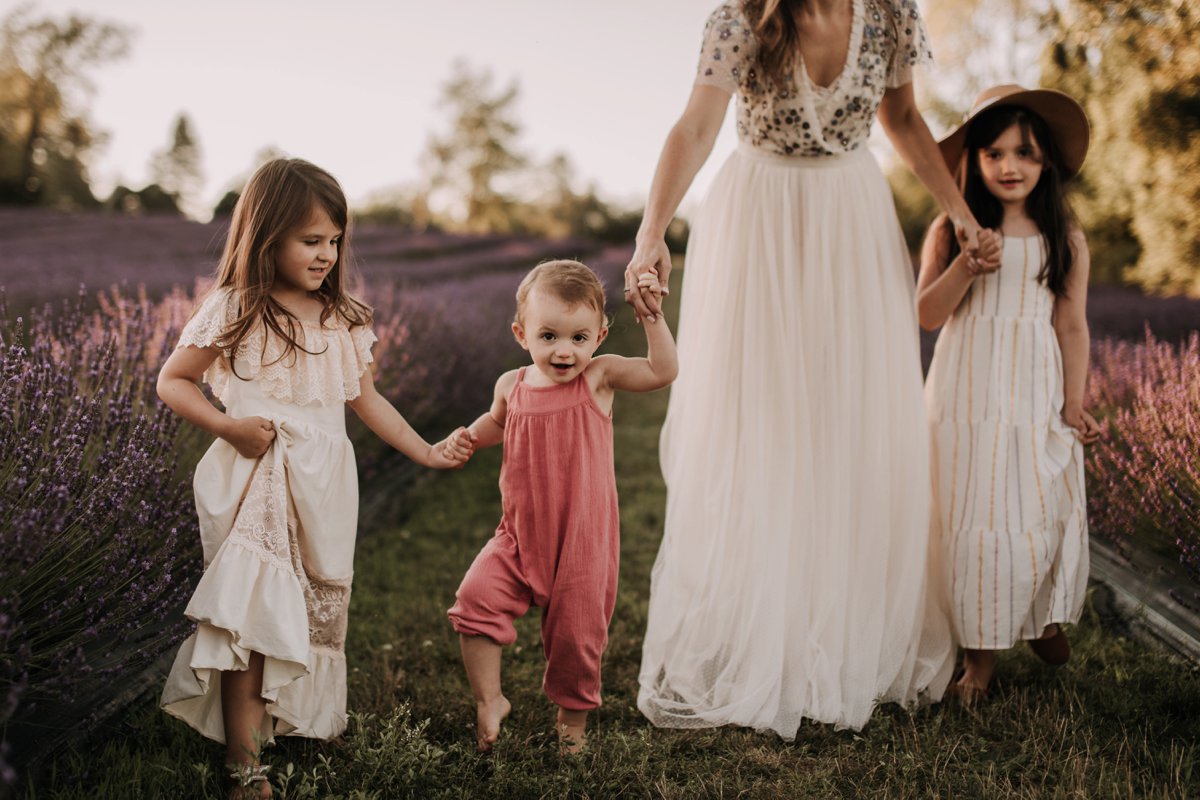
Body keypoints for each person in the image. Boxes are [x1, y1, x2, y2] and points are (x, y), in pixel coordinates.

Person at [627, 0, 1001, 736]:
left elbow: (901, 120)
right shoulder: (738, 18)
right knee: (757, 418)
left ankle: (846, 628)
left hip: (851, 216)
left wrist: (956, 207)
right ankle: (760, 628)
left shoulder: (892, 14)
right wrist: (651, 234)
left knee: (849, 420)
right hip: (758, 220)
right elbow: (696, 126)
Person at [157, 158, 471, 799]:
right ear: (266, 236)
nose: (327, 253)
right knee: (252, 618)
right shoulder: (237, 309)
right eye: (311, 241)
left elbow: (367, 400)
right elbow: (173, 380)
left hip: (323, 487)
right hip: (256, 481)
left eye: (334, 240)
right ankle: (244, 767)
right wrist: (229, 427)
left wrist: (426, 452)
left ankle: (305, 716)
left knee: (311, 610)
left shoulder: (344, 319)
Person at [448, 260, 678, 753]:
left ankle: (571, 729)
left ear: (600, 335)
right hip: (518, 535)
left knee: (577, 643)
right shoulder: (511, 385)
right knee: (474, 602)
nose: (564, 350)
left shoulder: (598, 378)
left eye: (579, 337)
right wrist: (467, 438)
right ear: (520, 333)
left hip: (582, 540)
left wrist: (654, 318)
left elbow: (663, 371)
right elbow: (495, 423)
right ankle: (490, 700)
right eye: (548, 335)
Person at [917, 85, 1100, 703]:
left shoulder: (1063, 236)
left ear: (1046, 160)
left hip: (1030, 391)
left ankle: (1039, 612)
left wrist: (1074, 402)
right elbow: (926, 314)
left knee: (1034, 502)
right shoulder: (952, 228)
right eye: (993, 153)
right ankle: (980, 657)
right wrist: (966, 264)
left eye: (1023, 152)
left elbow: (1071, 323)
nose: (1009, 166)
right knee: (974, 511)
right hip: (966, 392)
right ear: (973, 162)